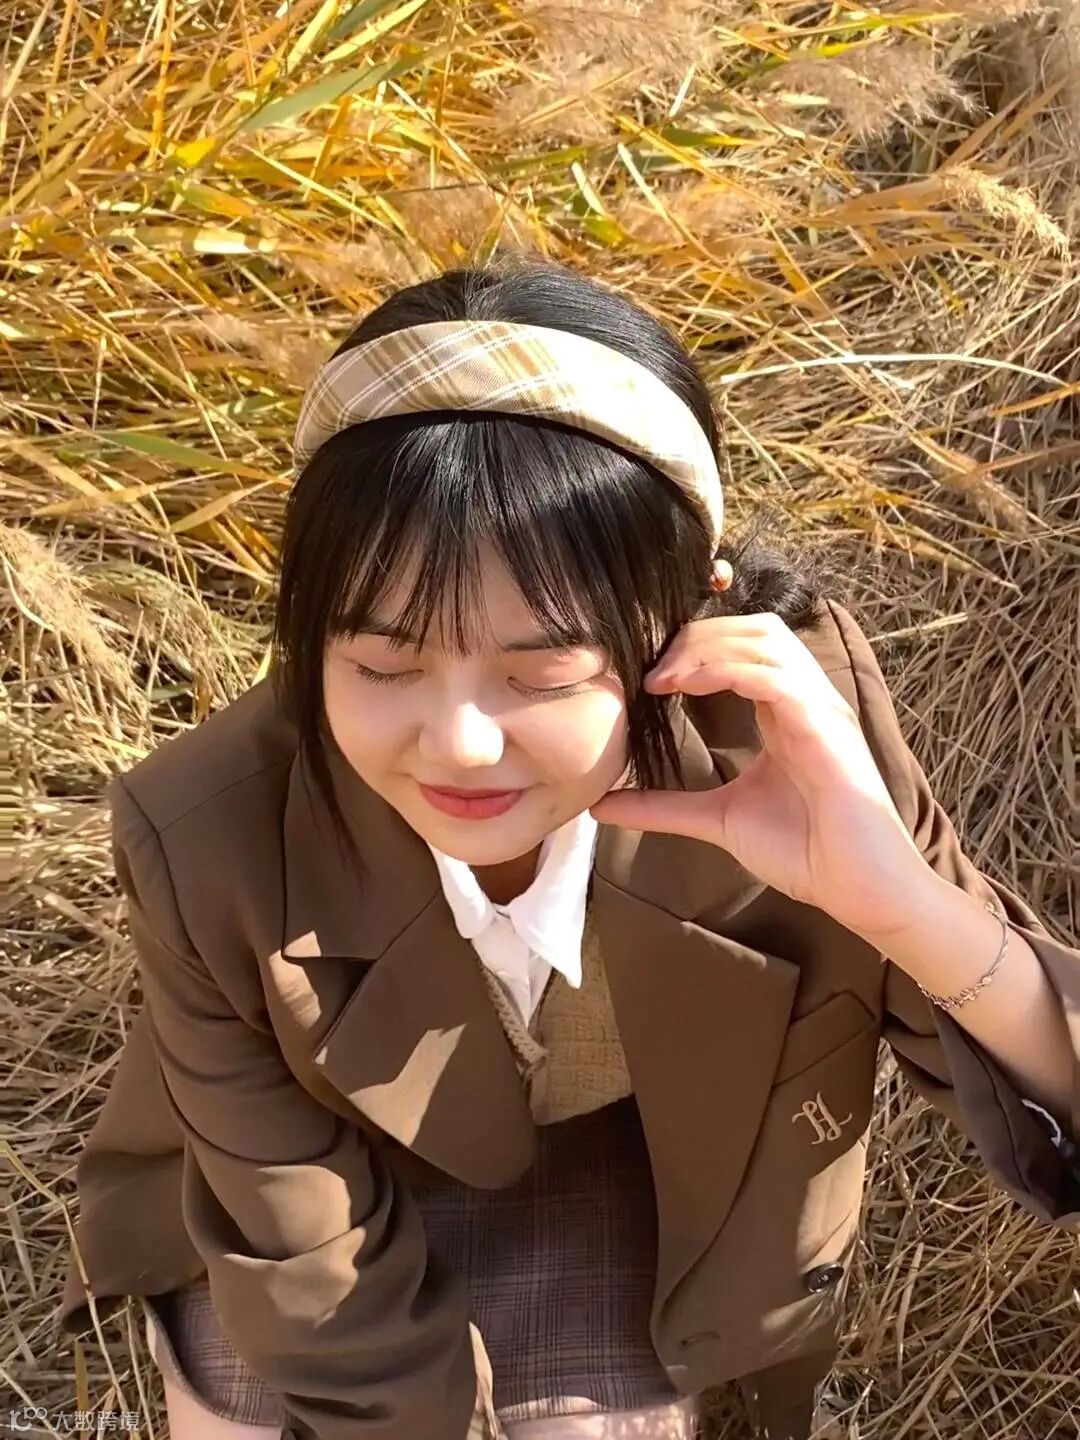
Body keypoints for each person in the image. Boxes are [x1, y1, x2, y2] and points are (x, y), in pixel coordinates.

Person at [56, 256, 1080, 1440]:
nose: (460, 742)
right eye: (383, 664)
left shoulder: (793, 740)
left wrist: (901, 903)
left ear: (681, 620)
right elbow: (301, 1248)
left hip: (636, 1168)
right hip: (320, 1175)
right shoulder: (210, 833)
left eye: (542, 672)